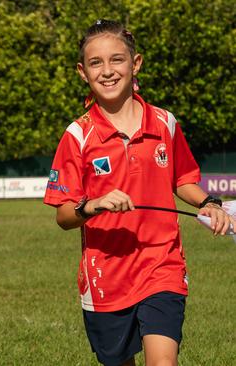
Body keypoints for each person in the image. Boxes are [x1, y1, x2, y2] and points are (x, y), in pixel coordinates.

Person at [44, 19, 235, 366]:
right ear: (82, 72)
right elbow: (63, 216)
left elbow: (183, 180)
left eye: (117, 60)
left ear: (136, 64)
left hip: (162, 264)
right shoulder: (77, 136)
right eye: (95, 63)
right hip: (105, 276)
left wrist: (208, 202)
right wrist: (94, 205)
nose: (107, 71)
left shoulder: (165, 123)